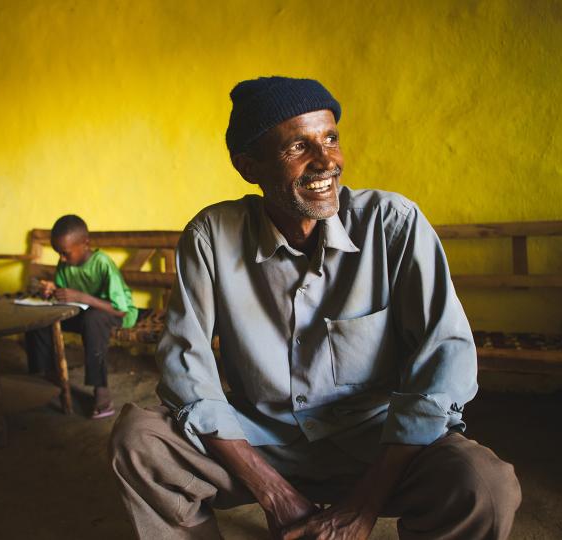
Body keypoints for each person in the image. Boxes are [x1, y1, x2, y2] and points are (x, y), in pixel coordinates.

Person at [109, 77, 521, 539]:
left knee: (485, 485)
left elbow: (444, 365)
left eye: (331, 138)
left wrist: (364, 506)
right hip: (262, 441)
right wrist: (274, 493)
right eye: (298, 147)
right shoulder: (212, 237)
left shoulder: (393, 224)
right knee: (140, 441)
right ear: (249, 166)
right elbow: (188, 372)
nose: (326, 161)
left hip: (377, 444)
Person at [26, 214, 137, 419]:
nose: (62, 258)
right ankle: (46, 375)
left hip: (115, 313)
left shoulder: (102, 263)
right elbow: (65, 294)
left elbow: (120, 309)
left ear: (85, 243)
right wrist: (52, 292)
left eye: (65, 253)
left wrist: (81, 296)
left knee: (93, 319)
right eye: (58, 253)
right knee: (40, 316)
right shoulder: (65, 264)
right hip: (82, 311)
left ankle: (101, 391)